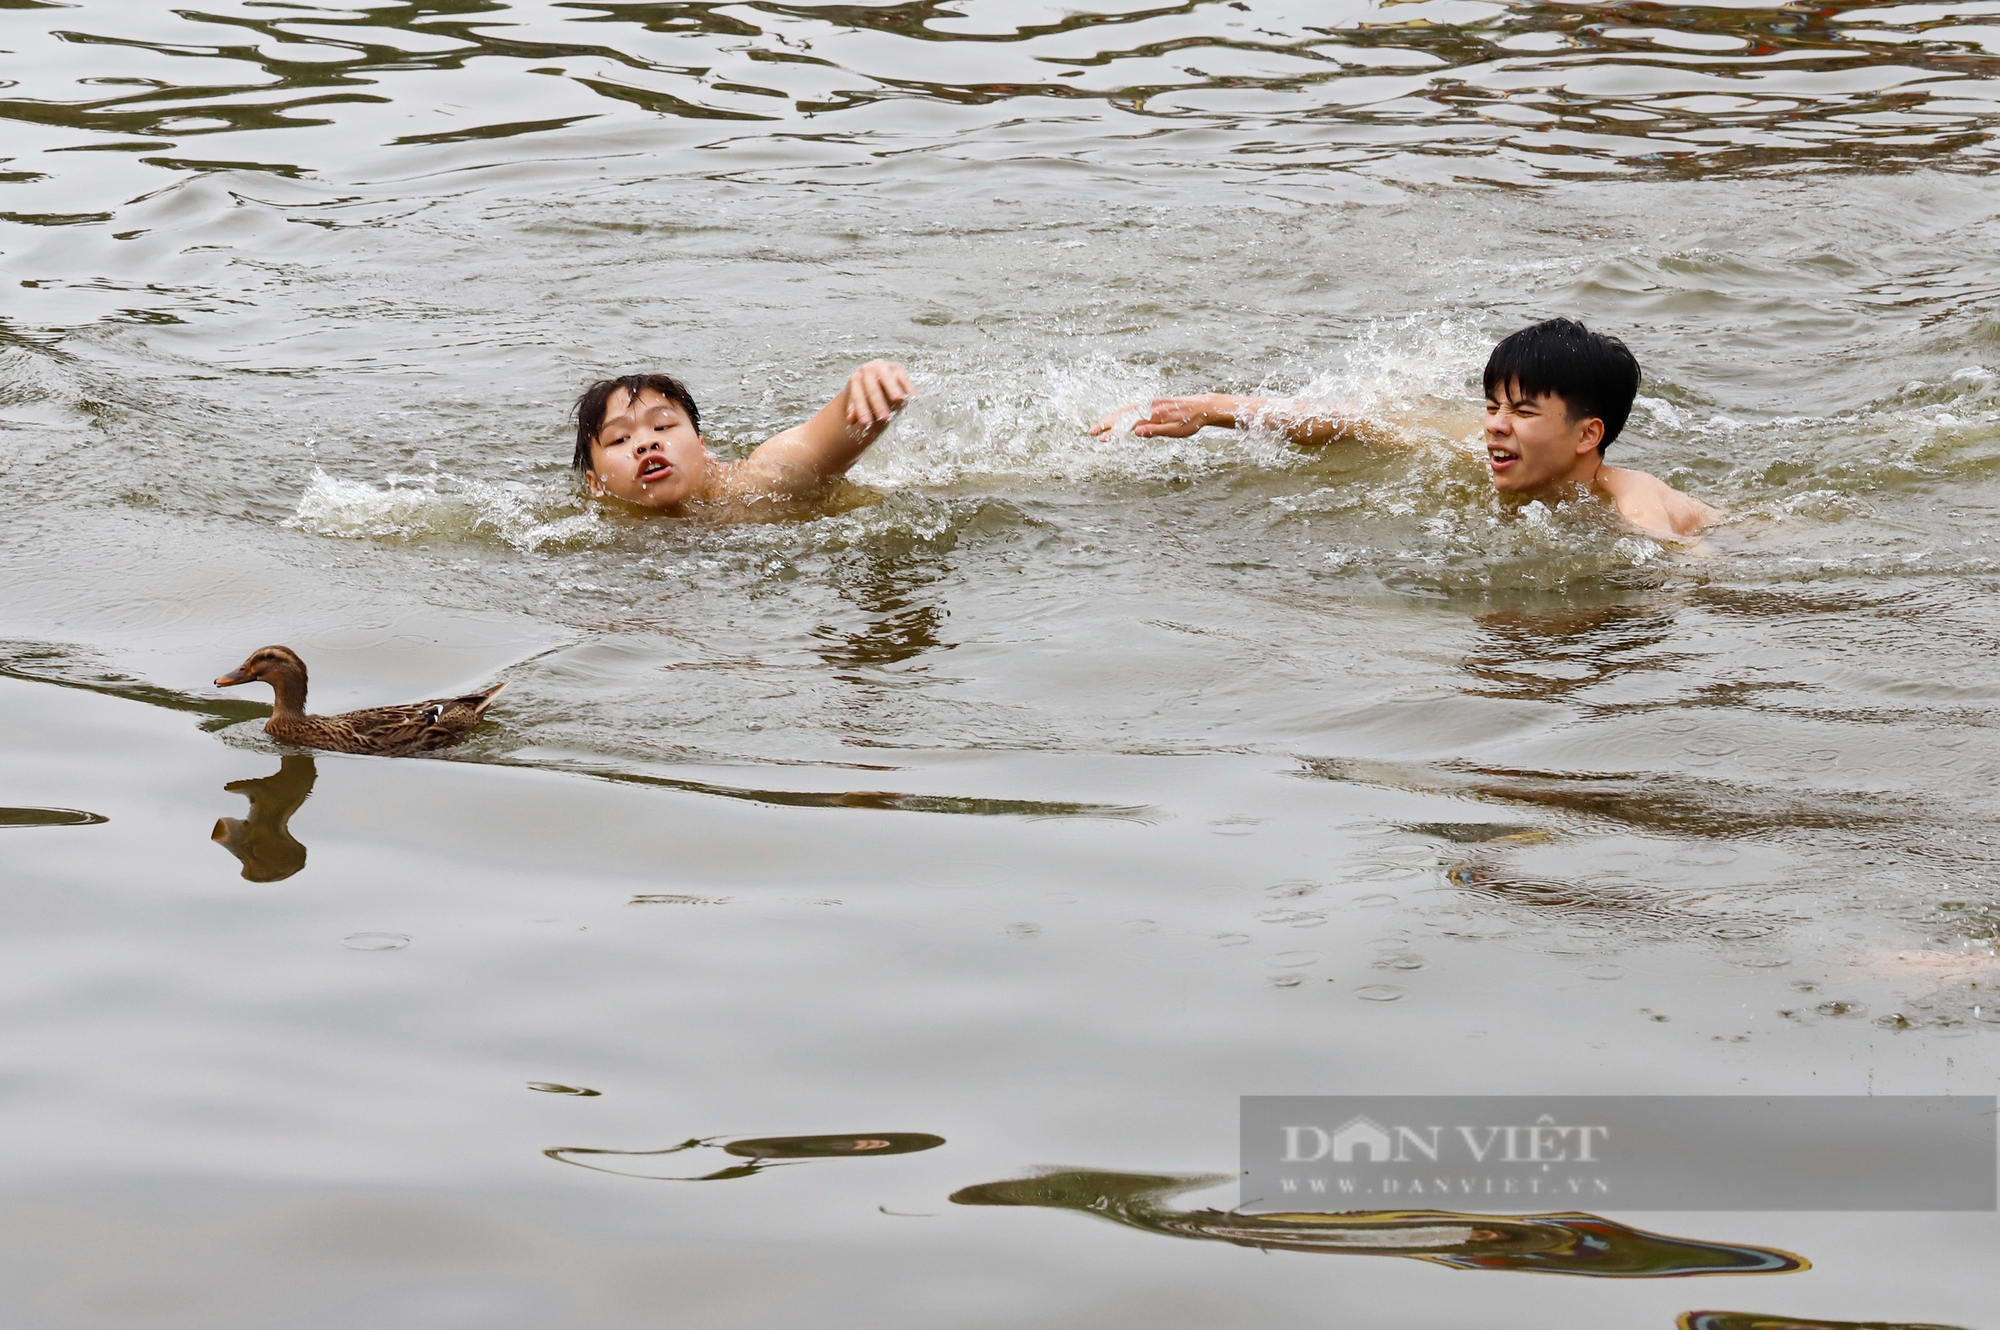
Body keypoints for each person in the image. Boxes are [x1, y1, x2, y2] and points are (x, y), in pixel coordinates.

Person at [1089, 318, 1720, 538]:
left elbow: (1672, 560)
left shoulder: (1631, 495)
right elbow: (1354, 425)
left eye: (1523, 413)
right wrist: (1206, 408)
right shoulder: (1478, 448)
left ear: (1588, 435)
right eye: (1494, 406)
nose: (1497, 427)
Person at [574, 360, 912, 511]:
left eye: (663, 427)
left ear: (703, 447)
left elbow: (817, 444)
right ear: (595, 484)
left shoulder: (754, 485)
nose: (646, 443)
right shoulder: (595, 537)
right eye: (620, 440)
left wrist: (868, 387)